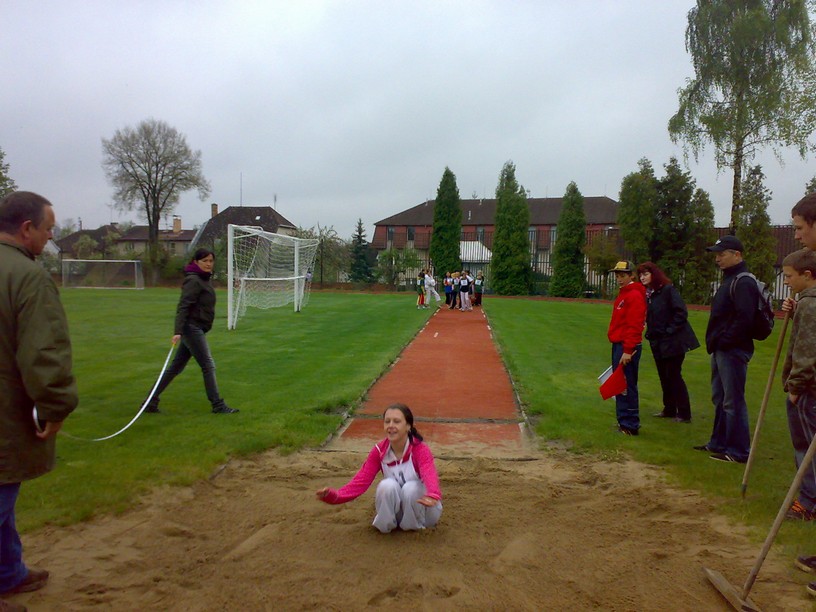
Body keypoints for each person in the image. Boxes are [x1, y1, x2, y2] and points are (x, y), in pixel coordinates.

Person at [0, 191, 78, 609]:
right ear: (27, 227)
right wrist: (54, 406)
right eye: (48, 229)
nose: (50, 237)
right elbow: (43, 353)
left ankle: (9, 573)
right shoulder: (28, 277)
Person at [316, 403, 442, 533]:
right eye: (387, 421)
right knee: (386, 485)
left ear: (408, 426)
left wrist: (433, 494)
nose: (391, 425)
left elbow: (429, 473)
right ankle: (385, 526)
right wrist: (335, 496)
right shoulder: (379, 451)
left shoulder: (420, 449)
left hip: (426, 511)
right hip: (399, 513)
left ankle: (413, 529)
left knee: (411, 488)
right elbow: (361, 481)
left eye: (397, 421)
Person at [145, 248, 238, 414]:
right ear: (196, 262)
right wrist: (178, 331)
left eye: (211, 261)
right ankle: (217, 404)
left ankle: (150, 402)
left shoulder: (203, 279)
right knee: (208, 365)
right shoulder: (193, 280)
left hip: (197, 327)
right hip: (191, 328)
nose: (208, 264)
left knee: (175, 367)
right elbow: (183, 306)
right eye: (205, 261)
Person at [693, 235, 758, 463]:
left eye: (722, 254)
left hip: (732, 350)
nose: (717, 259)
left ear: (737, 255)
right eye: (716, 255)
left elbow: (745, 318)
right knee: (720, 398)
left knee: (733, 400)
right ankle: (718, 442)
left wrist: (724, 340)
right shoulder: (730, 279)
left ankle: (739, 451)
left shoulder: (744, 282)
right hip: (721, 349)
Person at [637, 262, 700, 423]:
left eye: (645, 274)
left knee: (673, 375)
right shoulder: (649, 295)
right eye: (641, 275)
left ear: (654, 274)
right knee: (663, 376)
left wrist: (669, 330)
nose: (642, 277)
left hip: (674, 341)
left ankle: (684, 413)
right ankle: (669, 408)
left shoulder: (667, 290)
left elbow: (681, 312)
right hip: (658, 341)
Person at [779, 248, 816, 522]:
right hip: (807, 386)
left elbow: (807, 350)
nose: (786, 281)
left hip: (807, 389)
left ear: (807, 275)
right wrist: (795, 312)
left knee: (805, 446)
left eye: (789, 276)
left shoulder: (811, 305)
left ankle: (808, 502)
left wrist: (795, 386)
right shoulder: (806, 303)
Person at [607, 261, 647, 435]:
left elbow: (635, 325)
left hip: (626, 345)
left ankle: (630, 424)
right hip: (620, 343)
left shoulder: (634, 295)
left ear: (632, 275)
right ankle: (623, 421)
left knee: (627, 385)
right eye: (617, 276)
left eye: (623, 275)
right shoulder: (624, 294)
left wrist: (628, 350)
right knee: (620, 383)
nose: (619, 279)